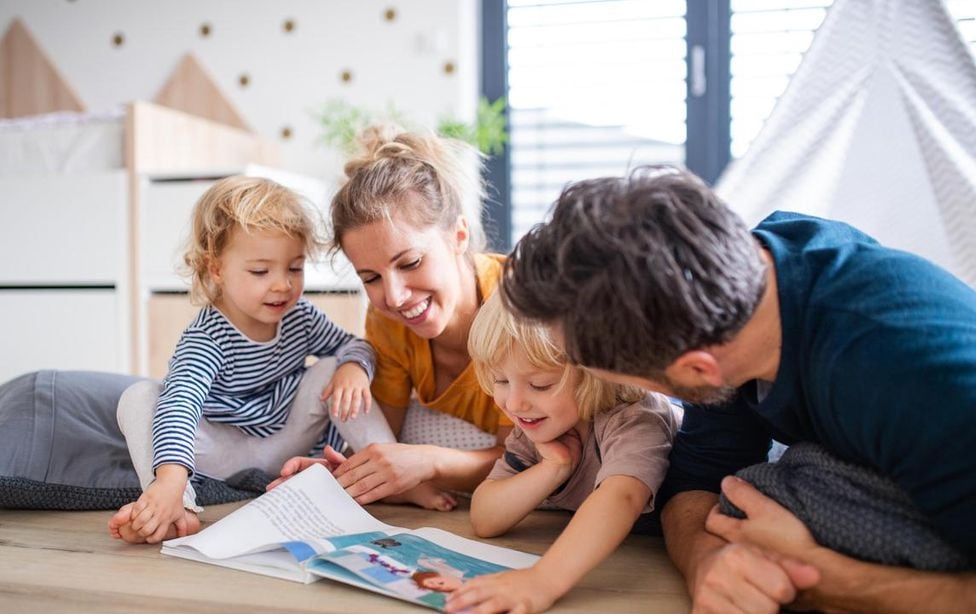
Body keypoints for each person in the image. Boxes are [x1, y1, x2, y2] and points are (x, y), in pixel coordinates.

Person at [499, 166, 976, 612]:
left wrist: (824, 578)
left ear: (698, 370)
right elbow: (696, 479)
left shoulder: (912, 378)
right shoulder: (731, 300)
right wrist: (706, 561)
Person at [107, 176, 400, 544]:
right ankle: (172, 503)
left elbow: (353, 345)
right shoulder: (207, 338)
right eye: (261, 271)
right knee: (140, 397)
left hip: (284, 442)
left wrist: (354, 366)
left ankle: (388, 466)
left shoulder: (301, 317)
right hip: (221, 450)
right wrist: (170, 478)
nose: (282, 285)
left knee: (336, 367)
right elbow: (181, 405)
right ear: (216, 269)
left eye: (294, 268)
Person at [270, 126, 514, 508]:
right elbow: (384, 441)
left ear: (459, 235)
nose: (396, 297)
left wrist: (427, 461)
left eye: (411, 262)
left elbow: (521, 457)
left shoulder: (516, 304)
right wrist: (344, 475)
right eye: (371, 278)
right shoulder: (387, 323)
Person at [444, 290, 680, 613]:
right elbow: (484, 518)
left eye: (539, 385)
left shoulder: (634, 415)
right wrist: (553, 468)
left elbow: (623, 497)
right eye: (501, 381)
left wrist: (542, 581)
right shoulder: (537, 425)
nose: (514, 403)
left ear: (596, 373)